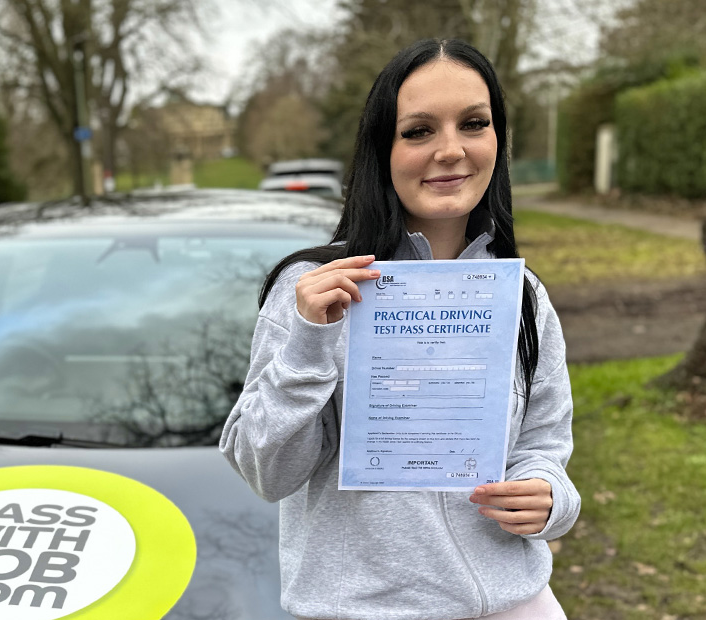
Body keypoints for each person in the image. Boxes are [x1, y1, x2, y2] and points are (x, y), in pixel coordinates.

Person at [219, 38, 580, 620]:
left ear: (497, 139)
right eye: (418, 131)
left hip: (517, 602)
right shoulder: (313, 289)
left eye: (473, 123)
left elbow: (544, 446)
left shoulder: (523, 297)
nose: (451, 150)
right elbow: (266, 472)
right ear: (380, 149)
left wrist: (550, 499)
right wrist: (308, 343)